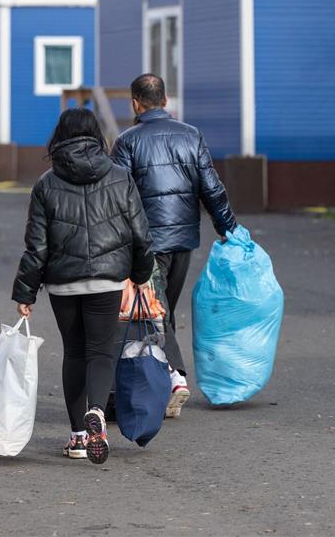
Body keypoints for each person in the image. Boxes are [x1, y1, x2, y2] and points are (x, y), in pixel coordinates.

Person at [13, 108, 153, 465]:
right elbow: (141, 236)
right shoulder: (120, 177)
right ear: (96, 135)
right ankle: (97, 413)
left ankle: (78, 437)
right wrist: (140, 275)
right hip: (108, 280)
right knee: (101, 352)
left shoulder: (46, 183)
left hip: (63, 283)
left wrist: (25, 292)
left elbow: (37, 246)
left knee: (74, 353)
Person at [111, 74, 237, 418]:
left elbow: (117, 195)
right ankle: (165, 378)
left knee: (156, 312)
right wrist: (228, 228)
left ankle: (175, 377)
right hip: (184, 240)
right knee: (162, 310)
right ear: (165, 101)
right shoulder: (192, 136)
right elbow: (212, 187)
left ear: (136, 103)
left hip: (147, 242)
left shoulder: (127, 141)